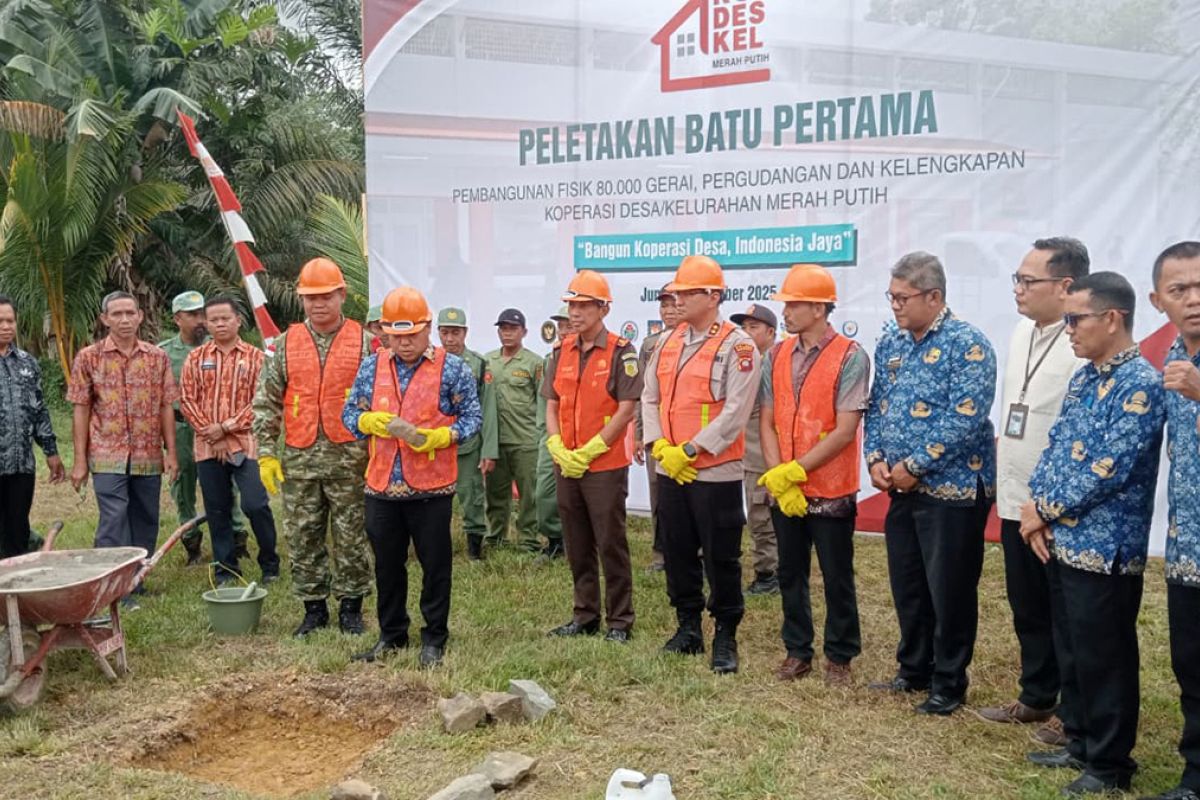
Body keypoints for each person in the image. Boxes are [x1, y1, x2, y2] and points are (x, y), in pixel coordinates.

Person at [1021, 271, 1165, 797]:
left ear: (1112, 318)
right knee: (1074, 649)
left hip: (1106, 549)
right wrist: (1037, 506)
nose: (1068, 331)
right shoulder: (1086, 376)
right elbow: (1057, 446)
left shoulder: (1140, 385)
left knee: (1106, 658)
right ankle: (1079, 740)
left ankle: (1109, 765)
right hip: (1064, 541)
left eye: (1076, 319)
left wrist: (1044, 512)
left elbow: (1110, 467)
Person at [864, 252, 996, 716]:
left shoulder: (969, 345)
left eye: (903, 297)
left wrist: (917, 464)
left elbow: (967, 417)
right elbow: (878, 404)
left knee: (950, 589)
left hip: (953, 491)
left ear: (934, 296)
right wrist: (875, 457)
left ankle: (949, 681)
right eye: (892, 296)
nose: (895, 306)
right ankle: (913, 668)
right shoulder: (892, 343)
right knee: (909, 584)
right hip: (900, 485)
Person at [976, 238, 1088, 740]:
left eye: (1028, 280)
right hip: (1015, 493)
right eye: (1016, 279)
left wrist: (1046, 506)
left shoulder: (1085, 342)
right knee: (1027, 605)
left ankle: (1075, 708)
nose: (1018, 289)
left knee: (1066, 612)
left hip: (1057, 506)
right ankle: (1037, 694)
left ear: (1066, 287)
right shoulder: (1022, 331)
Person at [343, 287, 481, 667]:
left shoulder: (453, 368)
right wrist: (366, 420)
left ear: (427, 329)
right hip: (382, 485)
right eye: (396, 336)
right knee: (387, 565)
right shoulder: (372, 366)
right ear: (385, 332)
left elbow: (473, 418)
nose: (403, 343)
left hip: (432, 488)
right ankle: (392, 635)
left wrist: (444, 435)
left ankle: (434, 638)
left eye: (411, 335)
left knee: (435, 566)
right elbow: (349, 415)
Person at [641, 255, 760, 674]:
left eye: (688, 292)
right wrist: (659, 445)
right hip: (671, 468)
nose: (678, 298)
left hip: (714, 470)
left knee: (721, 554)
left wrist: (691, 451)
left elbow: (736, 411)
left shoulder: (738, 345)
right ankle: (687, 627)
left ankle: (725, 632)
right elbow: (650, 396)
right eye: (677, 291)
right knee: (676, 549)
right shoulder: (667, 341)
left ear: (713, 296)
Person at [757, 265, 867, 685]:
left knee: (837, 573)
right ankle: (796, 649)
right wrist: (777, 474)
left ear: (819, 307)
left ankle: (840, 655)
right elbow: (767, 420)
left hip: (831, 488)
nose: (785, 311)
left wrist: (796, 470)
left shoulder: (851, 356)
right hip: (786, 488)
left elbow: (844, 429)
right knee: (790, 570)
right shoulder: (777, 354)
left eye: (795, 303)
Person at [252, 258, 373, 638]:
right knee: (303, 535)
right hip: (300, 458)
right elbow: (266, 401)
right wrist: (267, 453)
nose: (318, 304)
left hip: (351, 459)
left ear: (342, 295)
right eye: (310, 297)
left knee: (351, 534)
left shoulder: (367, 343)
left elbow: (384, 400)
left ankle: (351, 607)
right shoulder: (286, 344)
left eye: (325, 296)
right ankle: (314, 608)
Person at [543, 272, 642, 641]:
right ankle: (584, 615)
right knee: (577, 541)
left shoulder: (621, 352)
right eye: (572, 305)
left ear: (603, 308)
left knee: (610, 542)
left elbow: (627, 407)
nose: (576, 312)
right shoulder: (560, 351)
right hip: (566, 462)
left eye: (584, 305)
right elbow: (552, 403)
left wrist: (595, 447)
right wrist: (555, 444)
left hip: (604, 465)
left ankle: (620, 620)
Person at [67, 291, 178, 600]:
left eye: (130, 313)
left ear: (140, 315)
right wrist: (79, 460)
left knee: (145, 518)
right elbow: (80, 407)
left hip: (147, 454)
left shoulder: (157, 357)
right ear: (105, 319)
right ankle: (112, 589)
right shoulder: (89, 357)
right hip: (106, 454)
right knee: (114, 520)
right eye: (117, 314)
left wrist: (171, 453)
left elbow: (166, 406)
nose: (125, 319)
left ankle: (135, 582)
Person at [1146, 241, 1200, 800]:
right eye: (1180, 290)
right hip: (1188, 545)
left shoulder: (1188, 375)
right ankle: (1194, 775)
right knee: (1190, 663)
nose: (1194, 299)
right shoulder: (1169, 361)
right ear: (1158, 300)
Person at [180, 296, 280, 584]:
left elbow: (262, 401)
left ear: (238, 320)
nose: (220, 323)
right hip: (207, 446)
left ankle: (269, 563)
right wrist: (213, 434)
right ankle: (226, 567)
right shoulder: (196, 358)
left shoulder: (256, 357)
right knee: (217, 508)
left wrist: (225, 428)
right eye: (213, 319)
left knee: (255, 504)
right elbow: (187, 400)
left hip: (246, 444)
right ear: (206, 324)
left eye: (226, 318)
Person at [160, 291, 248, 566]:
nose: (201, 320)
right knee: (183, 486)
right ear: (178, 319)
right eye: (193, 315)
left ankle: (237, 540)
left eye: (203, 314)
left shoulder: (218, 346)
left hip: (220, 430)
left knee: (227, 484)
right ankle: (192, 543)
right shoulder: (163, 353)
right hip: (182, 430)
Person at [0, 295, 64, 559]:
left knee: (17, 527)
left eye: (10, 320)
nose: (5, 326)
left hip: (21, 464)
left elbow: (38, 410)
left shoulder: (28, 363)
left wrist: (51, 451)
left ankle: (16, 592)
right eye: (0, 321)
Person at [436, 307, 498, 560]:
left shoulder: (479, 364)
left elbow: (488, 409)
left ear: (465, 333)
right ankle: (436, 546)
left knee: (472, 495)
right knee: (435, 499)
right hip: (437, 444)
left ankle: (475, 549)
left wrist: (489, 451)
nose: (450, 339)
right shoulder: (429, 361)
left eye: (455, 333)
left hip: (468, 445)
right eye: (445, 332)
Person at [482, 309, 544, 553]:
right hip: (496, 442)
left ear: (524, 332)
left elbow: (542, 402)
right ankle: (496, 537)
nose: (507, 333)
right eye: (503, 328)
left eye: (513, 328)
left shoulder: (534, 363)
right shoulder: (488, 361)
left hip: (526, 440)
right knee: (496, 494)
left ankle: (528, 540)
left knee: (530, 495)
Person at [730, 303, 779, 596]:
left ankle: (769, 574)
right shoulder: (747, 362)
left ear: (771, 332)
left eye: (754, 327)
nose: (746, 333)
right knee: (758, 513)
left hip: (764, 453)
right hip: (746, 452)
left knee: (762, 515)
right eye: (743, 327)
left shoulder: (772, 363)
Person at [633, 285, 680, 571]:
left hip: (687, 433)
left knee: (690, 496)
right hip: (656, 431)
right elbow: (642, 393)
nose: (669, 311)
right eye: (664, 306)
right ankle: (661, 554)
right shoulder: (650, 345)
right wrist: (640, 434)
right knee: (658, 493)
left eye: (674, 304)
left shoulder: (699, 342)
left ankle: (694, 555)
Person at [533, 306, 571, 562]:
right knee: (545, 492)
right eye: (561, 326)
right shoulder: (551, 359)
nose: (564, 330)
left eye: (568, 325)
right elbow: (544, 404)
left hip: (584, 438)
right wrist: (544, 436)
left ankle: (579, 545)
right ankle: (555, 540)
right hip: (551, 436)